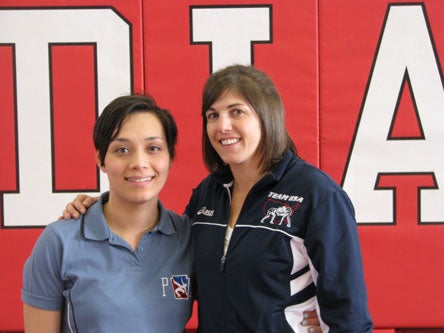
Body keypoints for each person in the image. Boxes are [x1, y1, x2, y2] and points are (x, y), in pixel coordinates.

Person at [62, 65, 369, 332]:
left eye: (237, 112)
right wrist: (101, 209)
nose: (222, 126)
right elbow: (169, 265)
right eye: (212, 115)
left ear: (266, 116)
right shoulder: (208, 195)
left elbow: (349, 315)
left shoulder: (318, 197)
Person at [22, 94, 193, 332]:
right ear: (101, 159)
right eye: (122, 150)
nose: (139, 162)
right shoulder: (59, 242)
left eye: (153, 148)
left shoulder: (189, 237)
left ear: (170, 157)